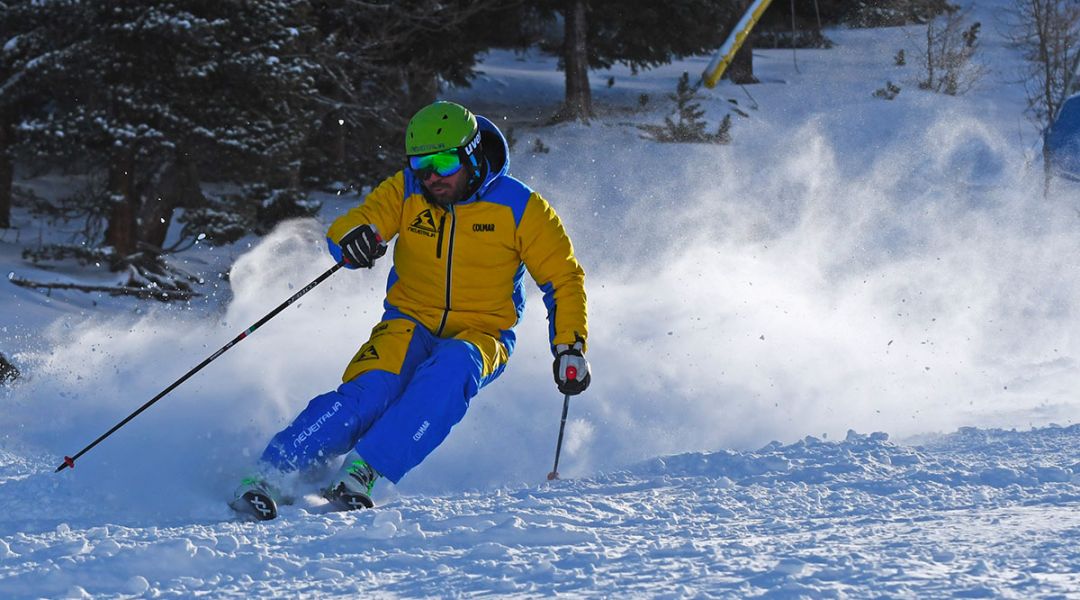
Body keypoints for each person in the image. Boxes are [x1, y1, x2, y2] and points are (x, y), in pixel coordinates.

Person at [232, 101, 591, 520]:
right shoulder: (407, 190)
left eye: (444, 161)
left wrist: (570, 345)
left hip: (483, 333)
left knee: (451, 371)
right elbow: (356, 222)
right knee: (370, 392)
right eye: (421, 163)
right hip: (409, 320)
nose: (432, 175)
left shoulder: (521, 207)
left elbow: (564, 279)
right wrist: (355, 238)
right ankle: (271, 473)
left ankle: (364, 471)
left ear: (472, 153)